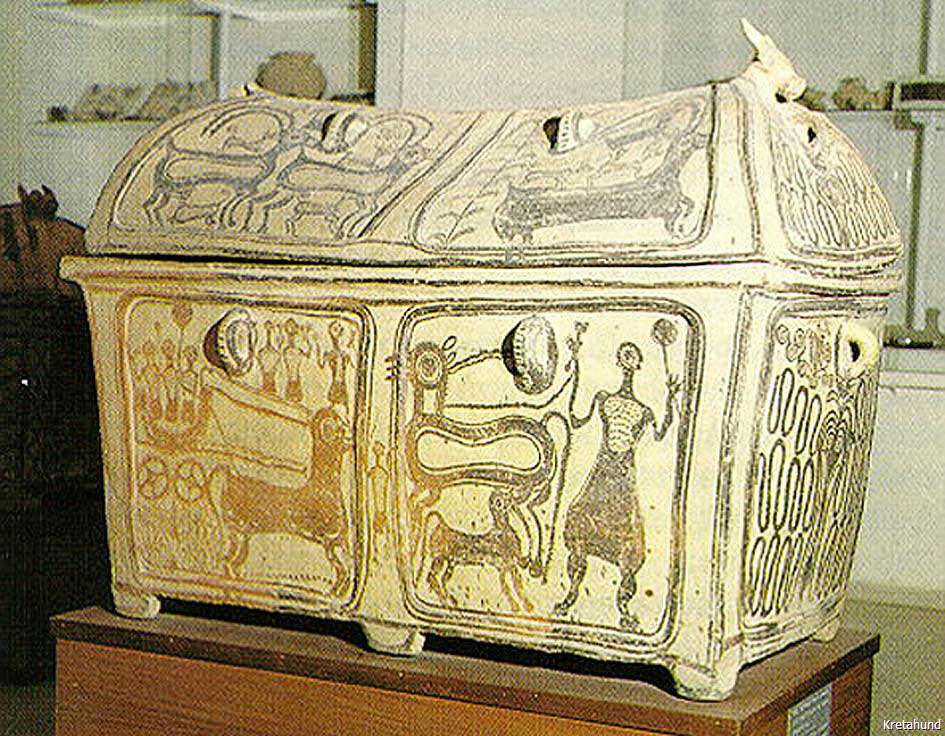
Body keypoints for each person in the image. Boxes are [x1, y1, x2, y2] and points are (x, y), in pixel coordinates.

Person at [555, 340, 679, 628]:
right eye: (624, 355)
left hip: (623, 481)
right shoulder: (604, 399)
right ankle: (571, 595)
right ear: (619, 361)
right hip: (602, 475)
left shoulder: (644, 410)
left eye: (633, 356)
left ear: (638, 364)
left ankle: (623, 609)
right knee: (580, 523)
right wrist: (576, 365)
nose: (628, 360)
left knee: (628, 541)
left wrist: (670, 398)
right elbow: (576, 419)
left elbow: (661, 432)